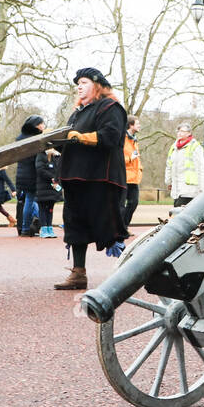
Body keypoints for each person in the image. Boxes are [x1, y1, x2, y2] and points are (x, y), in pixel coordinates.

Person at [53, 67, 127, 290]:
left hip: (100, 178)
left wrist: (82, 138)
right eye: (78, 83)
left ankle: (129, 271)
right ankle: (78, 274)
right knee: (75, 227)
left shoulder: (110, 107)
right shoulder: (78, 113)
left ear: (97, 85)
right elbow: (70, 139)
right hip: (75, 177)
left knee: (109, 227)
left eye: (83, 82)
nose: (79, 86)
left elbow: (111, 137)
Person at [13, 114, 46, 236]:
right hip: (32, 173)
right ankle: (26, 228)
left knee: (29, 199)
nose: (43, 126)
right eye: (42, 123)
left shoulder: (20, 138)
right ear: (36, 125)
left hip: (21, 173)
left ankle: (28, 225)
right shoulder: (35, 138)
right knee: (30, 199)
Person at [164, 122, 204, 208]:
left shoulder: (195, 146)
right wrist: (168, 181)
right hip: (176, 189)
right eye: (178, 131)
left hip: (190, 189)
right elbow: (169, 166)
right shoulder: (174, 147)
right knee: (176, 210)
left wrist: (203, 188)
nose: (179, 133)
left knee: (180, 213)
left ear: (189, 133)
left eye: (182, 131)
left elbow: (201, 168)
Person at [34, 146, 62, 238]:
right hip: (43, 187)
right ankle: (44, 228)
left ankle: (50, 228)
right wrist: (52, 178)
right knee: (42, 208)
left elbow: (58, 169)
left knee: (50, 209)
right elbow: (40, 170)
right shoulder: (40, 155)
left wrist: (58, 157)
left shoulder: (54, 157)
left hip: (52, 188)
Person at [123, 115, 142, 230]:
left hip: (134, 178)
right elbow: (118, 159)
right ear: (131, 125)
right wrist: (131, 158)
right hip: (124, 177)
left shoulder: (134, 139)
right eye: (137, 123)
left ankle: (124, 226)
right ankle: (121, 227)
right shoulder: (122, 139)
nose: (139, 126)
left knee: (133, 203)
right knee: (120, 206)